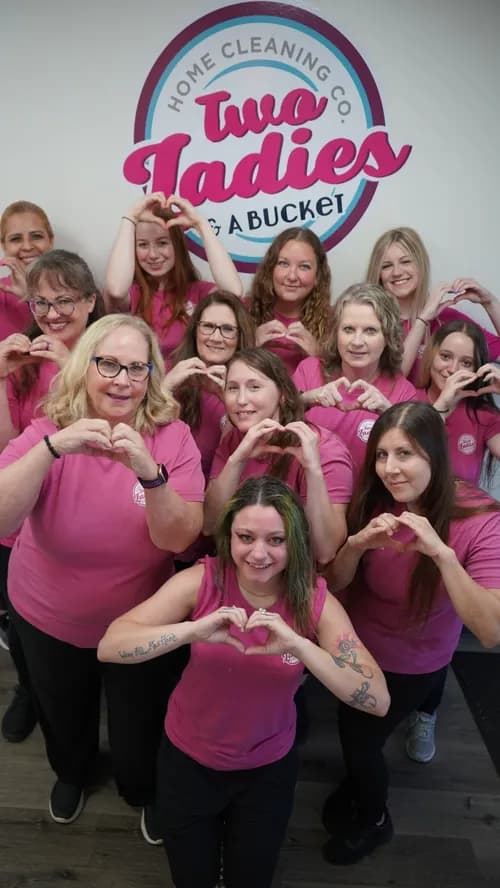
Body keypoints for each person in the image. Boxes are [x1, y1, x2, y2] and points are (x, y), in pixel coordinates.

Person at [98, 475, 390, 888]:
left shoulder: (313, 598)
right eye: (245, 536)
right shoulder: (202, 580)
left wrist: (300, 646)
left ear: (296, 542)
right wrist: (191, 631)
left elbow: (377, 699)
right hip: (188, 760)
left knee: (251, 876)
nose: (258, 553)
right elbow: (110, 645)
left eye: (276, 539)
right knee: (191, 875)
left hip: (266, 769)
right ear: (229, 536)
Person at [0, 314, 205, 841]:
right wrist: (51, 450)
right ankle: (73, 772)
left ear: (152, 377)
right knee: (63, 709)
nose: (122, 380)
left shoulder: (173, 436)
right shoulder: (49, 427)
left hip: (139, 621)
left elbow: (179, 540)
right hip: (48, 615)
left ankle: (142, 789)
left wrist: (148, 472)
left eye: (137, 368)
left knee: (140, 720)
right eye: (109, 364)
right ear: (84, 365)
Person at [322, 401, 500, 866]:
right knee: (357, 735)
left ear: (435, 456)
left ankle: (375, 820)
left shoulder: (480, 517)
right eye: (382, 455)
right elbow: (337, 581)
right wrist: (357, 545)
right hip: (356, 647)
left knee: (360, 743)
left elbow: (490, 630)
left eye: (406, 454)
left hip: (412, 663)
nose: (390, 469)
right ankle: (361, 779)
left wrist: (441, 554)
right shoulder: (374, 500)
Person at [0, 250, 104, 745]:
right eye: (41, 303)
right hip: (22, 523)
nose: (53, 313)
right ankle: (30, 689)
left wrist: (70, 367)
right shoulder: (24, 360)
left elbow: (108, 433)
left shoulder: (111, 357)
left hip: (85, 519)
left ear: (90, 302)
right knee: (23, 627)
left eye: (64, 301)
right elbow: (5, 445)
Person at [403, 319, 500, 763]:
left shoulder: (483, 414)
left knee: (439, 627)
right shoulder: (410, 399)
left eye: (467, 361)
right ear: (429, 355)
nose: (453, 368)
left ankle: (426, 712)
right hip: (401, 529)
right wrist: (440, 404)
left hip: (455, 539)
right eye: (446, 356)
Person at [204, 347, 354, 565]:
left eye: (254, 387)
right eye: (233, 388)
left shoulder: (325, 447)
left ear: (283, 395)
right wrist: (237, 460)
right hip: (244, 570)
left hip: (299, 578)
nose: (241, 399)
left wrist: (313, 471)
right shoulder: (233, 441)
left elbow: (325, 551)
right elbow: (209, 525)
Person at [293, 283, 416, 472]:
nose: (357, 342)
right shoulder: (309, 370)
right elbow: (275, 427)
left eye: (370, 331)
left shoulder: (403, 392)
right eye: (348, 329)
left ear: (388, 337)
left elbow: (414, 460)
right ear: (336, 334)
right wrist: (308, 398)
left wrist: (388, 413)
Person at [104, 192, 243, 358]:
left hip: (194, 383)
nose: (153, 254)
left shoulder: (198, 292)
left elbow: (233, 292)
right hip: (146, 383)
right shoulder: (132, 294)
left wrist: (201, 225)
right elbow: (116, 289)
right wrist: (129, 219)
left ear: (177, 245)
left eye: (162, 243)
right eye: (142, 245)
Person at [366, 226, 500, 382]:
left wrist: (490, 303)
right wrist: (423, 319)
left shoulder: (449, 319)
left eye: (406, 261)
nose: (396, 272)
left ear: (421, 265)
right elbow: (392, 382)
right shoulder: (370, 322)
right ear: (378, 273)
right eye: (386, 266)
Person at [164, 290, 256, 482]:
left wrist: (228, 399)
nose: (215, 337)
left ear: (241, 336)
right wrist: (165, 389)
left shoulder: (252, 386)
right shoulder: (169, 370)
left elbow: (237, 462)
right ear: (195, 330)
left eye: (227, 329)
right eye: (208, 326)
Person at [246, 227, 332, 375]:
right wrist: (248, 346)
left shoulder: (334, 321)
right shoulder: (243, 310)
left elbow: (344, 384)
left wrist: (319, 355)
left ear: (318, 276)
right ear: (270, 269)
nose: (292, 276)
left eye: (304, 267)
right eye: (283, 264)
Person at [0, 200, 54, 339]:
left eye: (36, 236)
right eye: (16, 239)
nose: (27, 246)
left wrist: (30, 296)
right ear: (3, 246)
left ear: (51, 240)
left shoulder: (74, 288)